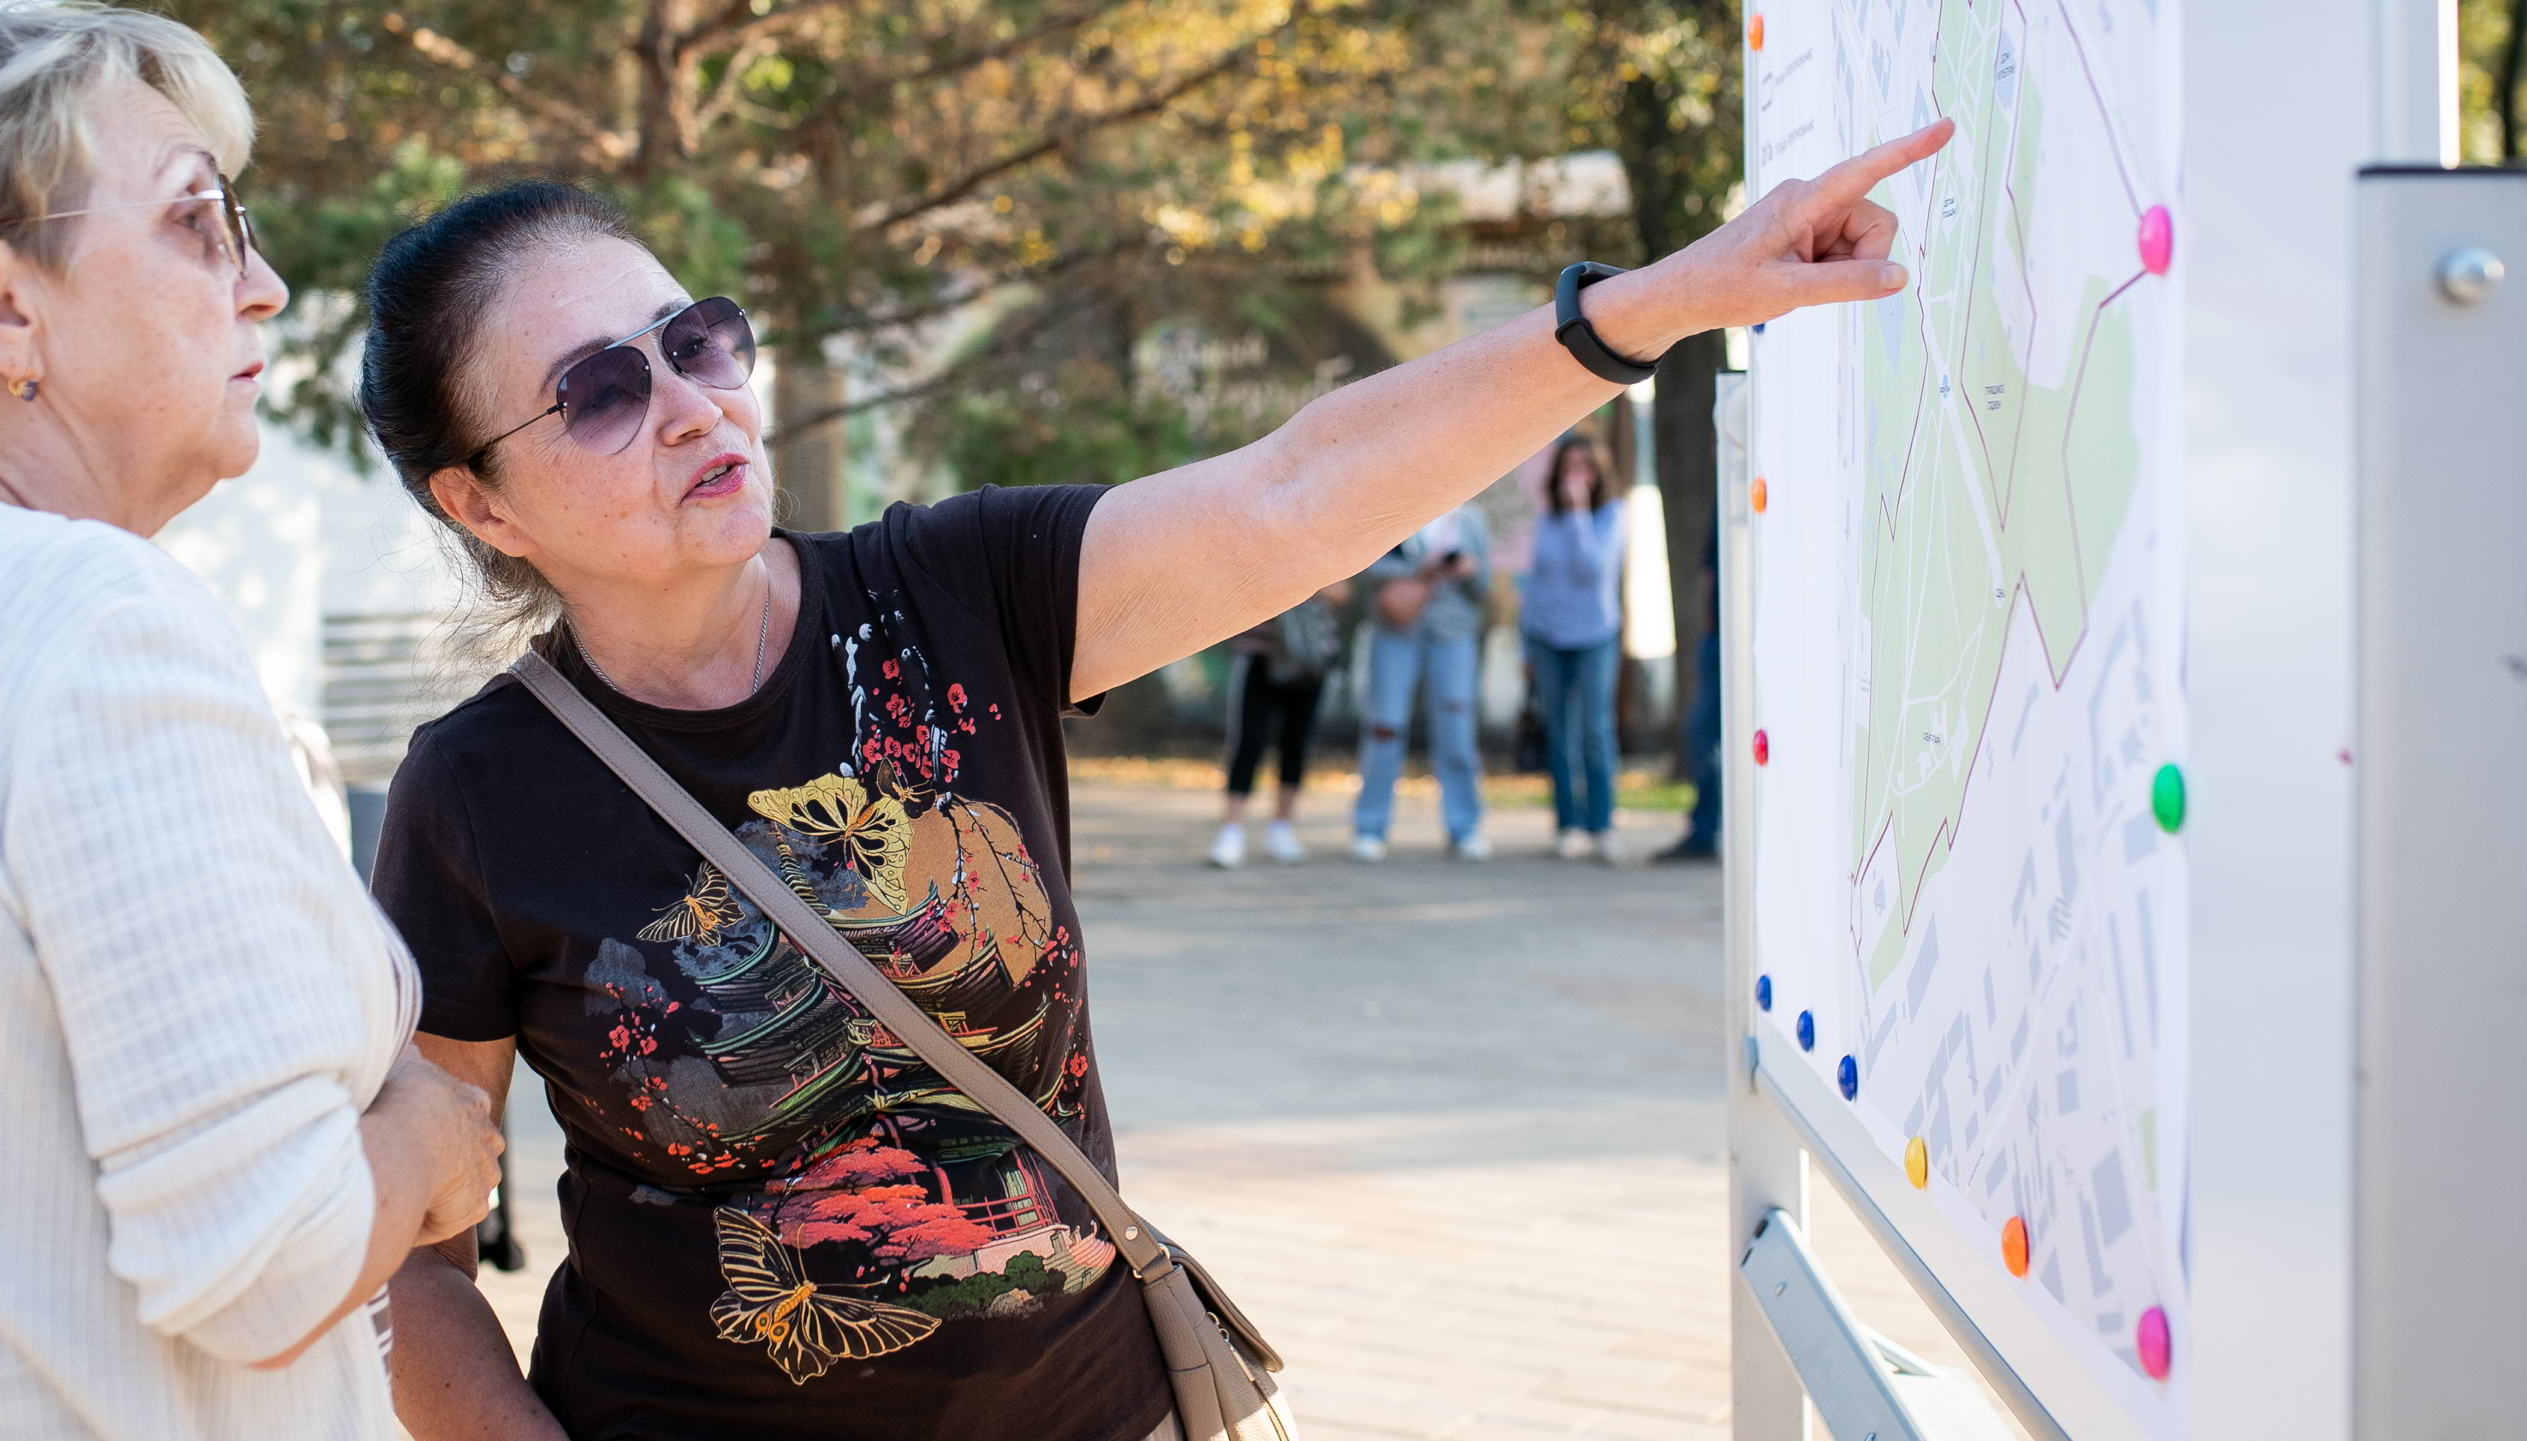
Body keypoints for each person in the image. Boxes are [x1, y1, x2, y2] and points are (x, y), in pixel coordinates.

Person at [361, 119, 1946, 1441]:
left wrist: (1655, 306)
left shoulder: (954, 593)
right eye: (600, 391)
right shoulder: (477, 794)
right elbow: (412, 1261)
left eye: (695, 339)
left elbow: (1297, 490)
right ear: (482, 504)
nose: (693, 403)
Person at [0, 0, 502, 1435]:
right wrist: (439, 1134)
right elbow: (269, 1261)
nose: (262, 285)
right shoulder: (95, 624)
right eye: (199, 220)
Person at [1355, 501, 1495, 861]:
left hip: (1454, 636)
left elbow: (1485, 587)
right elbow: (1365, 568)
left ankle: (1464, 827)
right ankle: (1370, 828)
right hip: (1396, 631)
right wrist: (1422, 569)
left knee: (1457, 731)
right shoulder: (1396, 508)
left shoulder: (1470, 519)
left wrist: (1468, 570)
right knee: (1385, 727)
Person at [1519, 436, 1631, 863]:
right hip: (1546, 636)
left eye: (1584, 465)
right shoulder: (1547, 518)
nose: (1575, 475)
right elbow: (1537, 583)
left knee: (1595, 730)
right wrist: (1525, 646)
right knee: (1559, 733)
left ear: (1598, 472)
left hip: (1594, 635)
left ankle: (1602, 825)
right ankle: (1568, 825)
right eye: (1568, 466)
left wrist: (1580, 512)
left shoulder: (1612, 515)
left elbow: (1592, 570)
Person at [1207, 583, 1349, 869]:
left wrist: (1304, 576)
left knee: (1297, 743)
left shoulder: (1324, 553)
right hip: (1260, 650)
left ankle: (1282, 828)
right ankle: (1232, 830)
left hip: (1311, 653)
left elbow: (1342, 592)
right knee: (1249, 740)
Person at [1660, 524, 1724, 865]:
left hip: (1727, 635)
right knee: (1701, 732)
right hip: (1718, 636)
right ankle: (1706, 827)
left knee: (1704, 731)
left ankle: (1708, 828)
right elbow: (1708, 572)